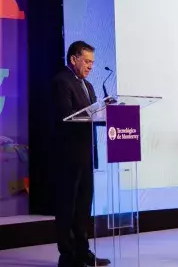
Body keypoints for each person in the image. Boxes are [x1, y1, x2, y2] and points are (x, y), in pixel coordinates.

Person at [52, 41, 110, 267]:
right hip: (68, 156)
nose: (90, 67)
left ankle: (83, 252)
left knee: (84, 205)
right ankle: (67, 255)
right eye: (87, 61)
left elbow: (93, 113)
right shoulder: (61, 82)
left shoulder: (88, 86)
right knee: (67, 205)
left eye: (92, 63)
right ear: (73, 59)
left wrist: (107, 109)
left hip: (86, 155)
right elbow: (65, 115)